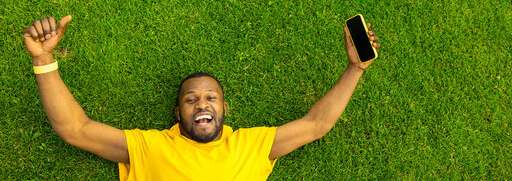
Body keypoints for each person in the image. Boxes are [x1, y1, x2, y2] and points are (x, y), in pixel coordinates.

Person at [23, 15, 380, 181]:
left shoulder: (252, 146)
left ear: (225, 109)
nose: (202, 103)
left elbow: (316, 124)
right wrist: (43, 60)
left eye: (211, 97)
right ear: (178, 113)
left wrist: (355, 69)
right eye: (191, 100)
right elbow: (75, 129)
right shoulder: (150, 147)